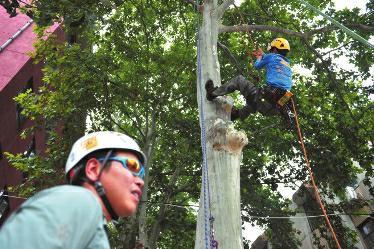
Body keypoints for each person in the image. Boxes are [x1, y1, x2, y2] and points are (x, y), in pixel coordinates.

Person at [0, 131, 146, 249]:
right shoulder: (82, 201)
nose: (141, 181)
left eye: (142, 174)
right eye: (133, 166)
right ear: (93, 169)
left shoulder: (93, 229)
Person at [206, 38, 294, 128]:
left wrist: (259, 57)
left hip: (268, 96)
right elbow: (274, 62)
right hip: (278, 104)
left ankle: (212, 93)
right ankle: (237, 114)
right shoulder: (287, 64)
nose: (271, 52)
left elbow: (257, 66)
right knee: (254, 102)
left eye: (271, 50)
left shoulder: (271, 57)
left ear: (275, 49)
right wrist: (263, 55)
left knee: (239, 80)